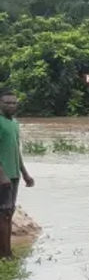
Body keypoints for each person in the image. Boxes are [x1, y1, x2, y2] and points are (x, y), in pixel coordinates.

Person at [0, 90, 32, 258]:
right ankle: (5, 254)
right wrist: (2, 175)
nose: (11, 106)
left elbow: (16, 150)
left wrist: (25, 173)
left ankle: (6, 251)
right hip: (2, 177)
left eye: (14, 103)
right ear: (0, 104)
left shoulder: (14, 123)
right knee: (3, 214)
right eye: (7, 103)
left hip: (14, 175)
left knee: (9, 213)